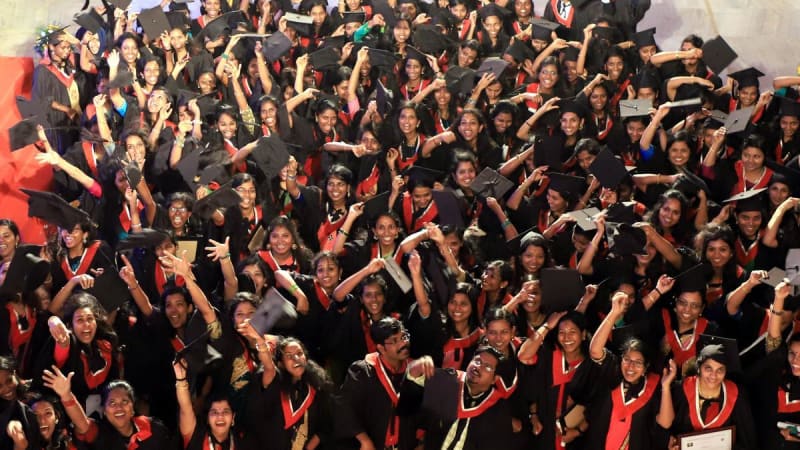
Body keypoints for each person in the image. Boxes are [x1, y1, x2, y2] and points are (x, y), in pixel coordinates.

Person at [396, 346, 515, 449]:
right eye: (477, 361)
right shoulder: (449, 380)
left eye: (488, 367)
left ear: (494, 379)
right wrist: (416, 369)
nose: (478, 367)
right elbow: (414, 383)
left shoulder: (498, 408)